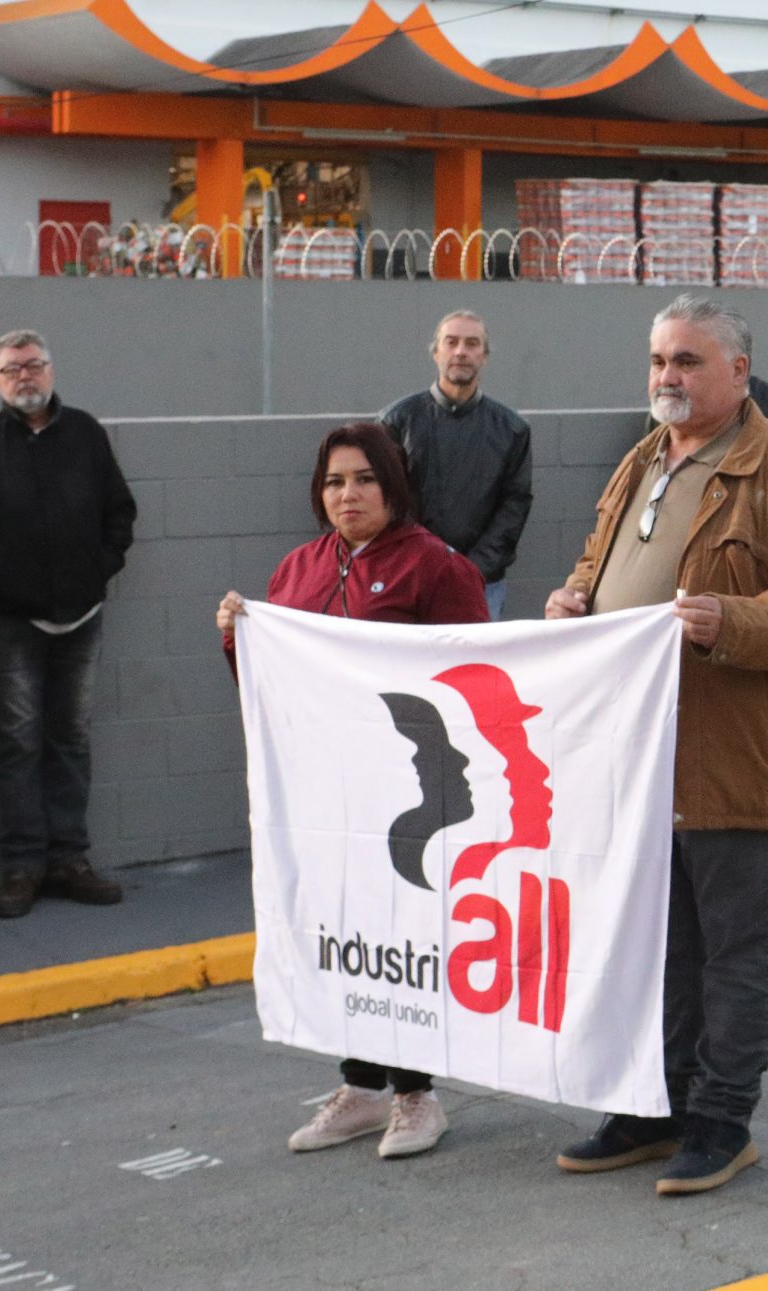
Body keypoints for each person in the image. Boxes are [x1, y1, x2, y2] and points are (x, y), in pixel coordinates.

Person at [547, 296, 768, 1197]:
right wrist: (574, 600)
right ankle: (655, 1106)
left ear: (737, 373)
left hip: (738, 758)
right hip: (640, 757)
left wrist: (732, 622)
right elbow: (596, 564)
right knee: (657, 948)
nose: (666, 377)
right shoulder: (642, 462)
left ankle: (722, 1121)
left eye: (685, 360)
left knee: (734, 954)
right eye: (657, 360)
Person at [217, 420, 488, 1162]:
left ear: (393, 485)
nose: (349, 494)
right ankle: (362, 1086)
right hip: (325, 795)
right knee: (348, 935)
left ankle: (416, 1093)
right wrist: (241, 640)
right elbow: (276, 696)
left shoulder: (435, 566)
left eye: (364, 478)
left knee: (406, 935)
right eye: (335, 481)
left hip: (407, 796)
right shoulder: (297, 569)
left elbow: (474, 682)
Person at [0, 328, 138, 921]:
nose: (25, 376)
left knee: (70, 738)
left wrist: (98, 571)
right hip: (11, 623)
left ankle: (70, 861)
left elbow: (119, 513)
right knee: (17, 743)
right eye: (12, 369)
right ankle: (22, 867)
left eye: (34, 365)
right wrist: (3, 585)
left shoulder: (86, 435)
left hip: (83, 616)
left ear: (51, 370)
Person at [380, 309, 533, 623]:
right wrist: (423, 561)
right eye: (451, 342)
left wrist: (470, 569)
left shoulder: (512, 429)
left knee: (474, 670)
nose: (461, 351)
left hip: (481, 584)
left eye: (471, 343)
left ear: (484, 356)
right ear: (436, 352)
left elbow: (514, 505)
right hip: (409, 580)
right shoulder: (396, 421)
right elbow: (386, 502)